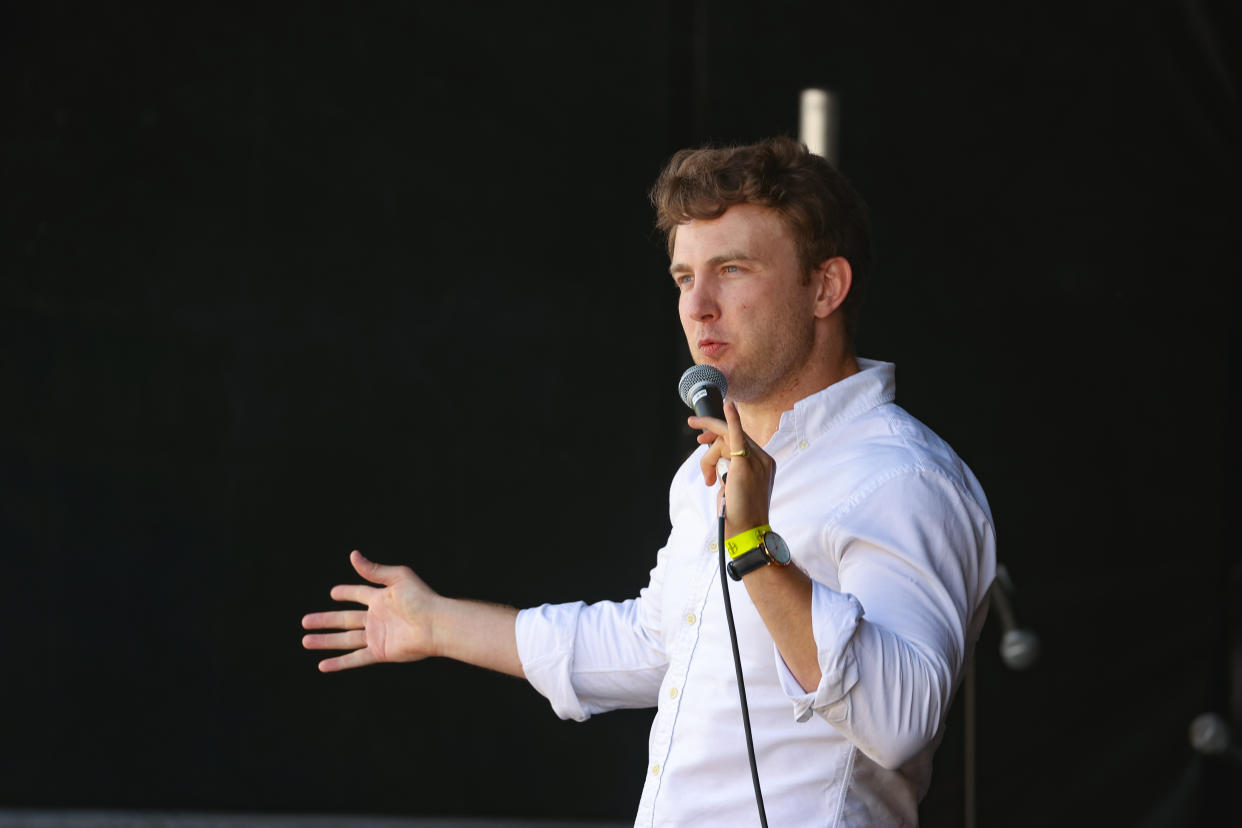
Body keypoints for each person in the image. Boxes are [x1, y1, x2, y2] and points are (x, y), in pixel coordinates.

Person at [302, 136, 996, 826]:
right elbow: (656, 642)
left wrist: (754, 546)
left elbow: (901, 720)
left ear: (825, 287)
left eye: (730, 269)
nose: (698, 307)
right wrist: (436, 624)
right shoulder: (709, 470)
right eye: (684, 278)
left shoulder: (902, 478)